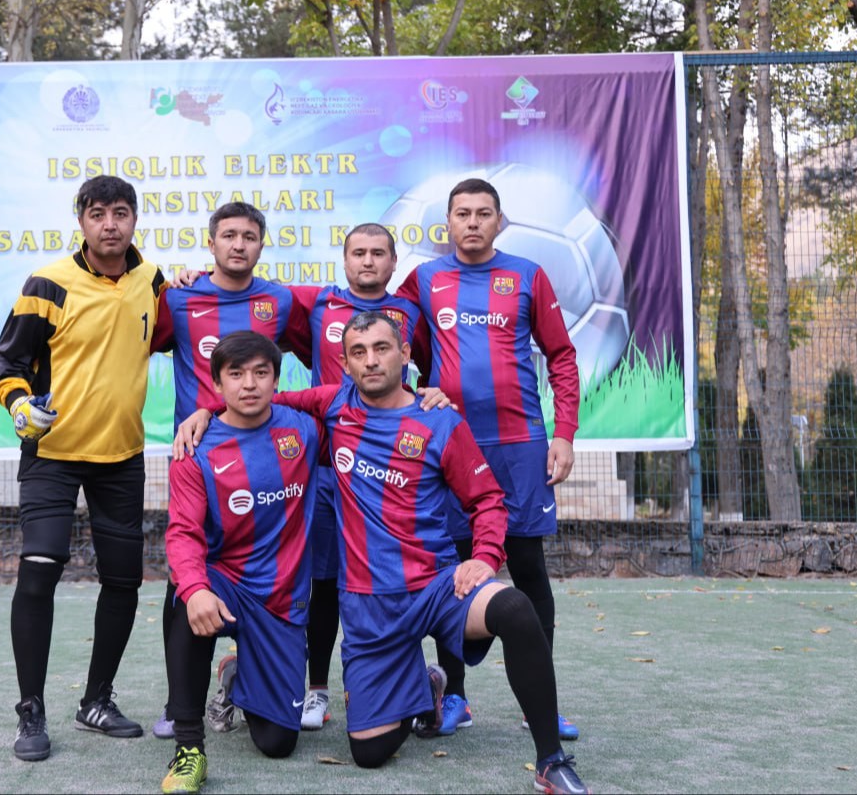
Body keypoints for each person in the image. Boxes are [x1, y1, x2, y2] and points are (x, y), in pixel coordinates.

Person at [176, 313, 588, 794]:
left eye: (381, 348)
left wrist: (484, 556)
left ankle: (551, 762)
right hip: (369, 608)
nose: (370, 360)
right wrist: (205, 412)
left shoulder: (439, 419)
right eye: (358, 352)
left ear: (405, 354)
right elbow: (257, 400)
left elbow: (488, 500)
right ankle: (423, 687)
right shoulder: (333, 405)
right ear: (345, 364)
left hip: (435, 585)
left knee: (514, 609)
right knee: (368, 753)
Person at [396, 176, 583, 741]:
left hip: (521, 446)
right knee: (453, 568)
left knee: (527, 567)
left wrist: (565, 434)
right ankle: (454, 697)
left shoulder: (526, 275)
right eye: (462, 213)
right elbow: (389, 334)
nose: (473, 222)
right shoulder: (424, 280)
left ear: (499, 222)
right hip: (450, 447)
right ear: (447, 223)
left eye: (483, 213)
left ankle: (539, 705)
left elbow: (562, 357)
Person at [0, 175, 166, 762]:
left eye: (120, 213)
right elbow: (7, 364)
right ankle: (30, 711)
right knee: (39, 572)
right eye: (97, 214)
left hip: (122, 456)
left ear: (134, 218)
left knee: (124, 581)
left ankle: (96, 701)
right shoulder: (47, 284)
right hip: (53, 456)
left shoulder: (154, 282)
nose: (110, 224)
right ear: (81, 220)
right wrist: (20, 405)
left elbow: (183, 334)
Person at [149, 201, 311, 738]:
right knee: (186, 574)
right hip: (198, 455)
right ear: (211, 242)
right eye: (229, 235)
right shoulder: (178, 297)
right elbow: (138, 346)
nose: (239, 244)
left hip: (265, 454)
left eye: (249, 236)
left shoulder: (280, 300)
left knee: (279, 741)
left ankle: (255, 675)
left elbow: (327, 357)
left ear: (261, 244)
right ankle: (181, 706)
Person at [160, 331, 321, 794]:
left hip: (282, 599)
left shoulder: (305, 430)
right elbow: (183, 533)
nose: (249, 384)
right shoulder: (194, 449)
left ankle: (236, 676)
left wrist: (424, 395)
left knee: (277, 743)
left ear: (277, 379)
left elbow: (355, 397)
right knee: (184, 593)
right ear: (217, 383)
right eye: (236, 374)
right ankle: (189, 747)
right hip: (227, 582)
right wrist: (195, 589)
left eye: (260, 373)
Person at [288, 223, 421, 731]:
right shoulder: (317, 302)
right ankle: (317, 690)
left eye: (378, 253)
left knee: (392, 581)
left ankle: (411, 684)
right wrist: (190, 276)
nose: (368, 261)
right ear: (344, 261)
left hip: (391, 471)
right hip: (328, 471)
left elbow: (431, 369)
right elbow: (245, 287)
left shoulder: (411, 310)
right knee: (323, 585)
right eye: (358, 252)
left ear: (393, 262)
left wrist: (433, 393)